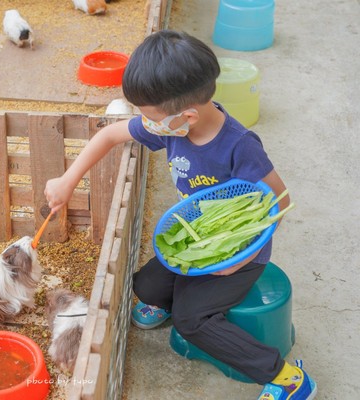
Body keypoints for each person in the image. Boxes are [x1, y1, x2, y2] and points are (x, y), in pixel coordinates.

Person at [45, 30, 317, 400]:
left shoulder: (239, 146)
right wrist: (66, 179)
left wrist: (243, 259)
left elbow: (280, 200)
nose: (146, 123)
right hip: (195, 243)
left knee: (192, 322)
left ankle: (288, 378)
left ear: (186, 114)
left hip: (237, 254)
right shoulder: (173, 127)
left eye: (149, 117)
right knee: (146, 286)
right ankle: (179, 304)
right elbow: (108, 137)